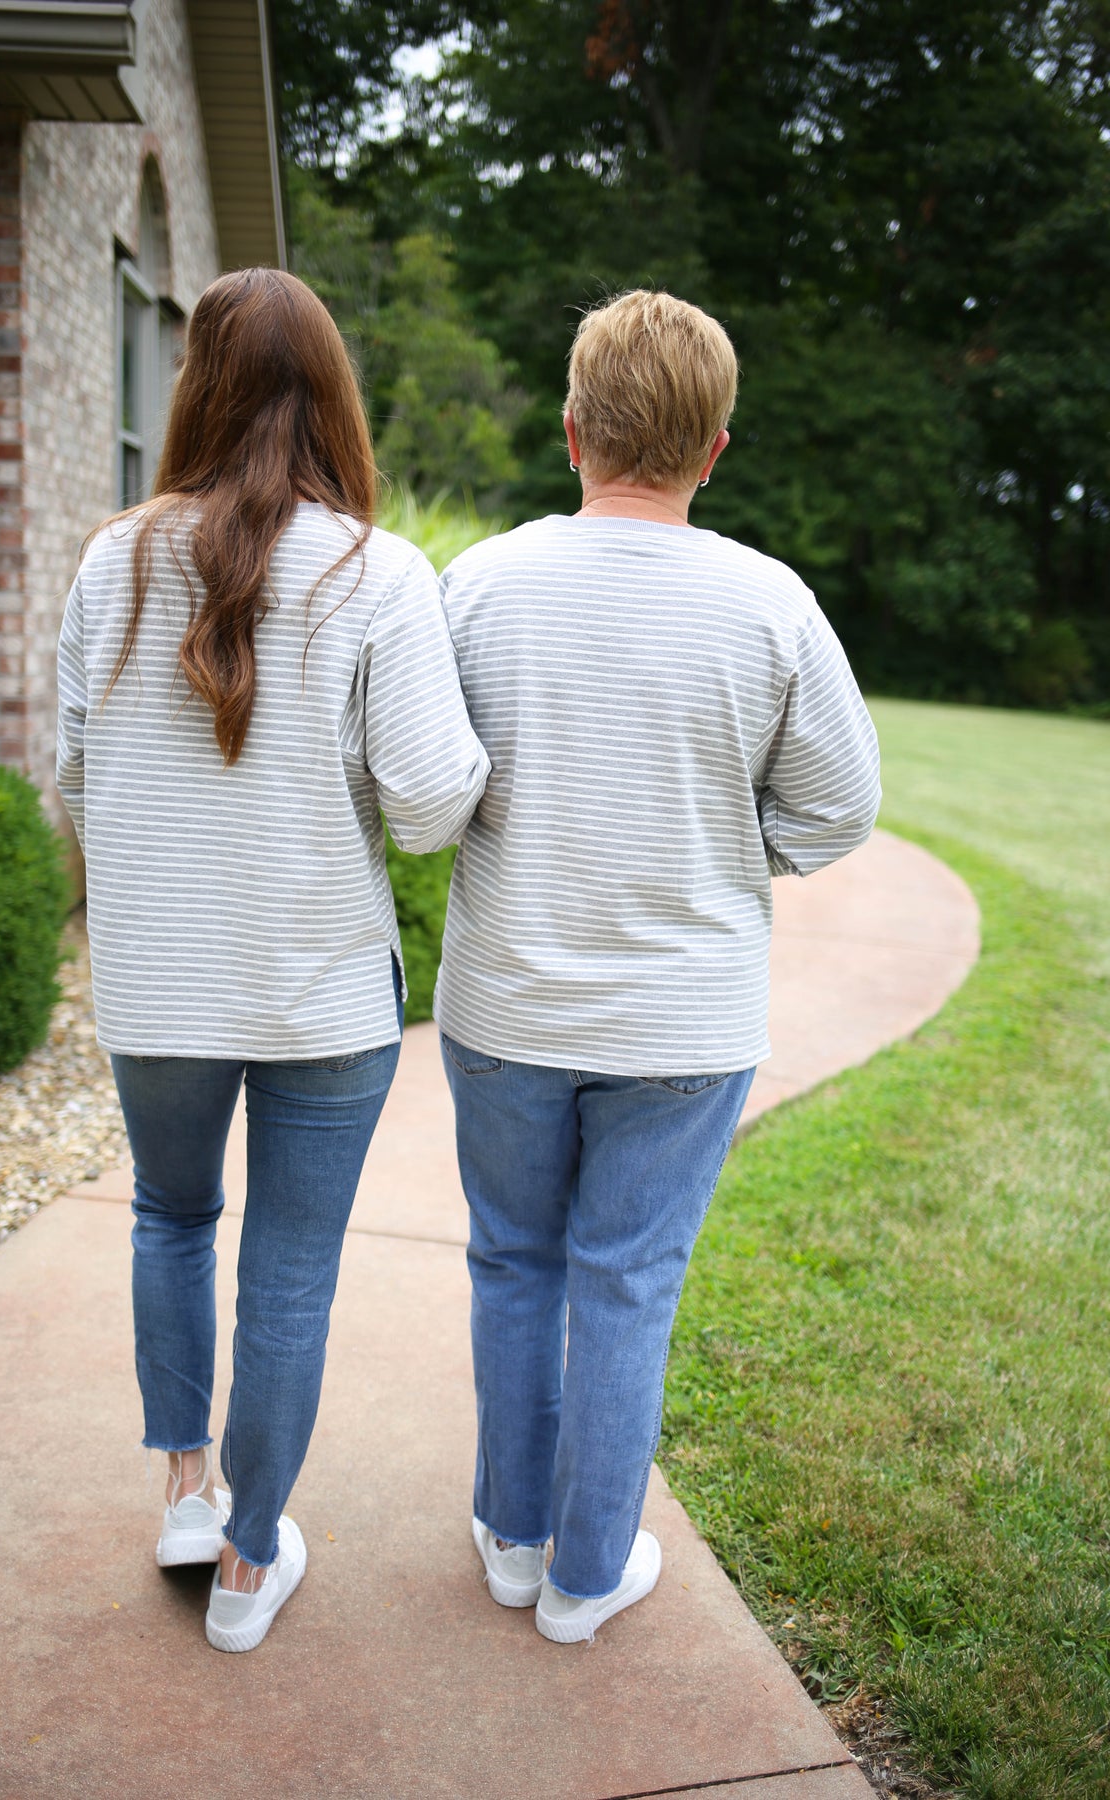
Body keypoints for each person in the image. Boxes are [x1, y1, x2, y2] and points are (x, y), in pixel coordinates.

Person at [436, 289, 880, 1644]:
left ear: (572, 431)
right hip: (686, 1023)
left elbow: (422, 781)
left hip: (507, 999)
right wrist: (729, 850)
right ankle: (585, 1576)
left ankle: (515, 1540)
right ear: (715, 448)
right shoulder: (771, 604)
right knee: (628, 1278)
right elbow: (842, 805)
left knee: (514, 1260)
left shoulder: (481, 585)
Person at [56, 268, 489, 1652]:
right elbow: (430, 809)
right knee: (290, 1273)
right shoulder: (380, 573)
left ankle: (189, 1492)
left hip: (156, 983)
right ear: (335, 399)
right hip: (320, 991)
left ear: (194, 389)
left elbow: (74, 777)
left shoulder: (108, 561)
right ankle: (249, 1568)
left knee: (171, 1218)